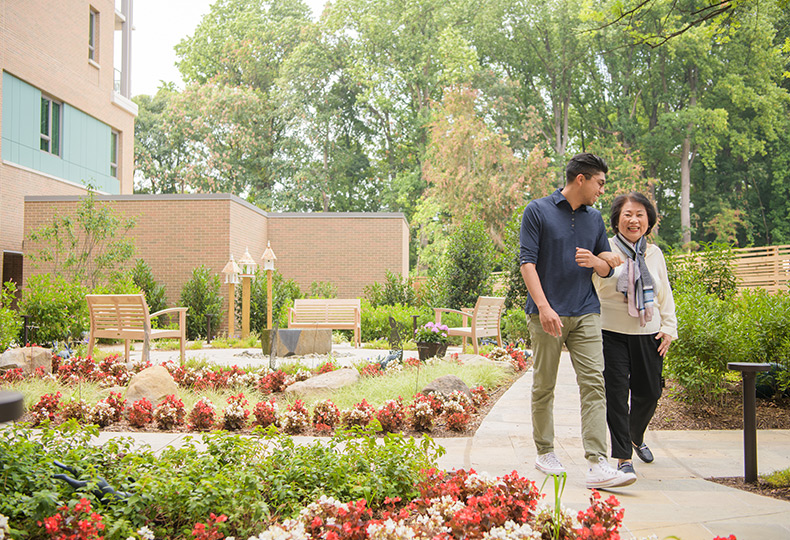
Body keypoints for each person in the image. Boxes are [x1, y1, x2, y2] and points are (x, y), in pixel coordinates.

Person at [519, 152, 636, 489]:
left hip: (586, 309)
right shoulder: (537, 211)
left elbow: (604, 263)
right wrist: (543, 307)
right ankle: (545, 451)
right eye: (599, 183)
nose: (602, 190)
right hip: (547, 313)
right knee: (545, 385)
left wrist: (603, 262)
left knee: (594, 384)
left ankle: (598, 463)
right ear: (581, 179)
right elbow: (527, 263)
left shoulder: (594, 218)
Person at [592, 192, 677, 477]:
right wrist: (606, 266)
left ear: (648, 220)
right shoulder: (605, 249)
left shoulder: (654, 254)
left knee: (650, 393)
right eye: (627, 214)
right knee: (616, 396)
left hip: (648, 333)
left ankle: (636, 435)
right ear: (617, 219)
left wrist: (668, 329)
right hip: (610, 332)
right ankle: (623, 457)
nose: (634, 220)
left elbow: (664, 294)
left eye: (640, 214)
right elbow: (597, 288)